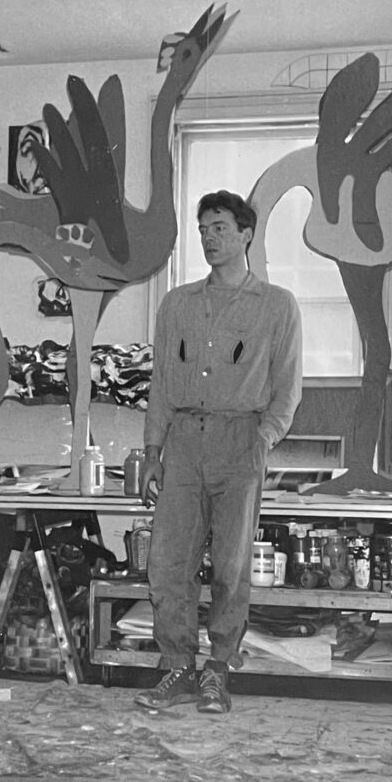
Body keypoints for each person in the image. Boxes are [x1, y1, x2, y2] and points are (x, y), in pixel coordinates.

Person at [135, 190, 302, 714]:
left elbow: (288, 385)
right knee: (167, 565)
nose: (209, 237)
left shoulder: (276, 306)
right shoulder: (177, 304)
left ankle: (218, 670)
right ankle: (178, 667)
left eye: (221, 227)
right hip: (183, 444)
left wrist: (262, 440)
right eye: (204, 228)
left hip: (240, 442)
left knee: (231, 568)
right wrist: (152, 451)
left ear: (246, 234)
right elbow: (162, 382)